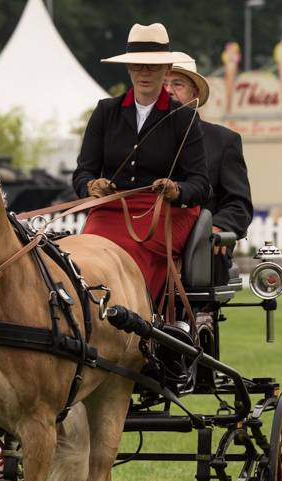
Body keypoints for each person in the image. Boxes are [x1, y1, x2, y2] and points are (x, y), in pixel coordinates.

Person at [72, 23, 209, 302]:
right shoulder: (105, 112)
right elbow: (83, 171)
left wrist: (176, 190)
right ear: (128, 68)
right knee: (85, 250)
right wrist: (90, 185)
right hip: (111, 208)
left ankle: (136, 315)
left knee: (132, 252)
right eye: (137, 65)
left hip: (164, 212)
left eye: (152, 66)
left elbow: (200, 183)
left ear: (166, 70)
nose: (144, 73)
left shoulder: (184, 118)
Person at [165, 58, 253, 242]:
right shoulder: (139, 138)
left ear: (194, 93)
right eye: (163, 84)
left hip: (201, 245)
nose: (168, 91)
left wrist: (217, 227)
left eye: (177, 84)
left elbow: (239, 206)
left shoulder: (224, 141)